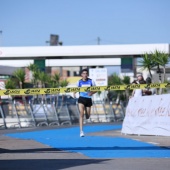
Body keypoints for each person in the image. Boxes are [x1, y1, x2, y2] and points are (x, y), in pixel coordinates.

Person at [73, 69, 96, 137]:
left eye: (86, 73)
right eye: (83, 73)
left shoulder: (91, 81)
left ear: (87, 75)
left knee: (88, 116)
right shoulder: (79, 82)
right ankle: (81, 131)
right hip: (81, 99)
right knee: (81, 114)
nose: (85, 75)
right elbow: (76, 89)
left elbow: (97, 89)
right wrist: (74, 93)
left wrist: (92, 92)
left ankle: (86, 113)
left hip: (88, 99)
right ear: (81, 75)